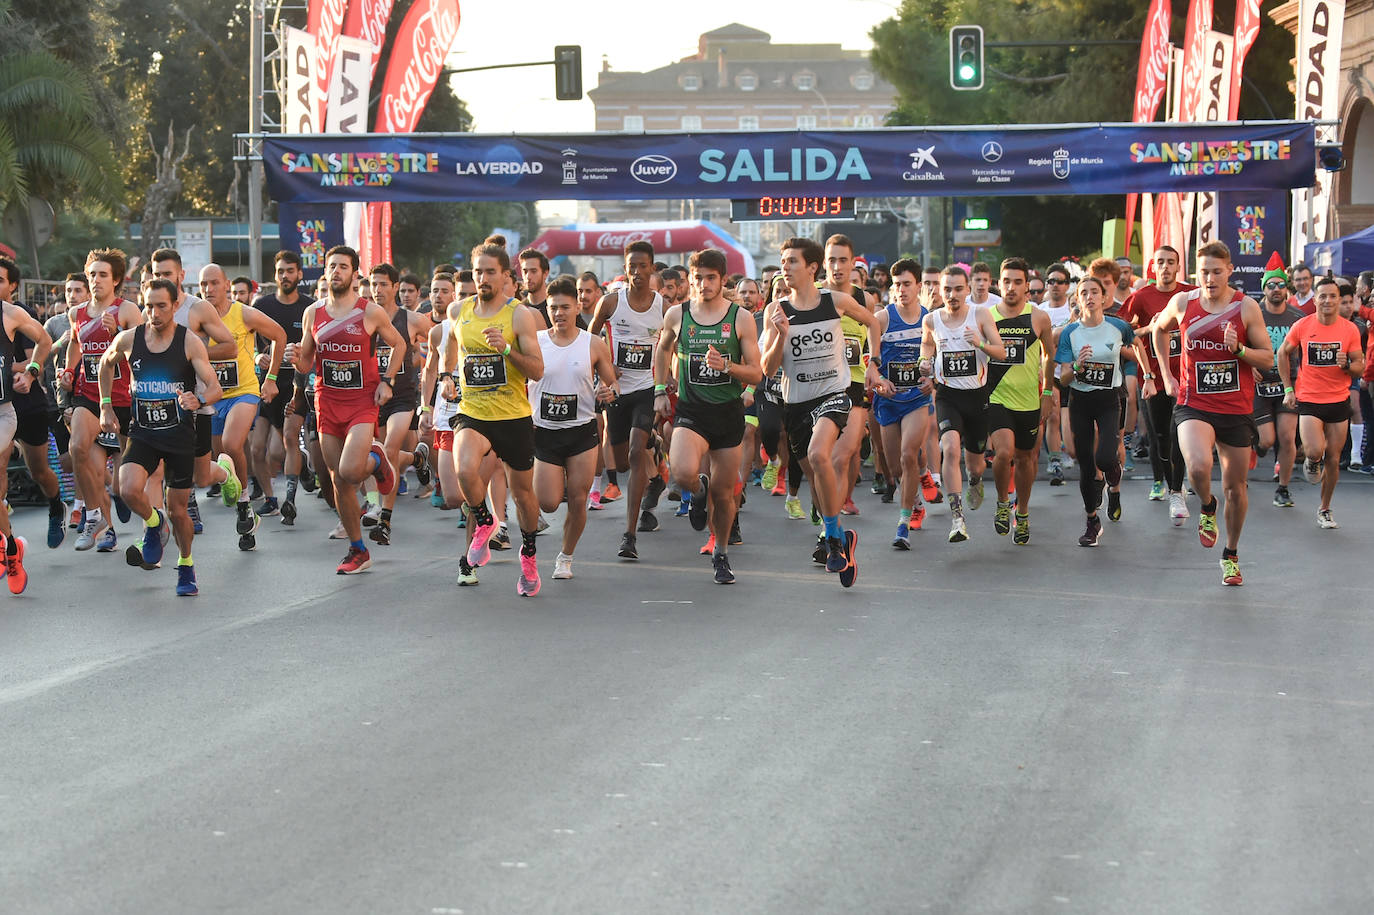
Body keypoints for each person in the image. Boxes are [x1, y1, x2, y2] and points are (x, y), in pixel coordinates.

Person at [760, 237, 885, 586]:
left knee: (820, 456)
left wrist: (873, 362)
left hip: (834, 394)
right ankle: (842, 537)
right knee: (814, 475)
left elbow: (873, 323)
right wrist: (781, 336)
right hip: (796, 402)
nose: (785, 267)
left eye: (792, 262)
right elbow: (767, 369)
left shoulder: (837, 301)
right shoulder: (777, 311)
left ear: (812, 268)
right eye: (782, 261)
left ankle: (831, 537)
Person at [1153, 241, 1273, 586]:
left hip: (1235, 408)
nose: (1209, 278)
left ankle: (1231, 555)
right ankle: (1207, 504)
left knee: (1236, 488)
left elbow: (1266, 358)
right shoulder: (1182, 303)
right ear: (1196, 272)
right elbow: (1159, 331)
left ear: (1229, 271)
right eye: (1203, 271)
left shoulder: (1246, 307)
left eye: (1216, 272)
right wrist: (1166, 374)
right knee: (1198, 466)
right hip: (1194, 402)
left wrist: (1239, 348)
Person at [285, 245, 407, 575]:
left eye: (343, 266)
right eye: (332, 266)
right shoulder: (313, 313)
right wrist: (297, 358)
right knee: (339, 479)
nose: (336, 271)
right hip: (327, 402)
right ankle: (357, 549)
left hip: (362, 403)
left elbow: (399, 344)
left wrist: (388, 381)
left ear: (355, 275)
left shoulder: (369, 312)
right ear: (326, 273)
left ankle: (377, 461)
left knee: (352, 471)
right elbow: (309, 360)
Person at [98, 279, 222, 595]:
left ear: (174, 306)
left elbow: (214, 386)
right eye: (149, 306)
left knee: (179, 510)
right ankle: (154, 524)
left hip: (180, 436)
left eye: (161, 306)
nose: (154, 312)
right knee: (127, 489)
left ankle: (185, 564)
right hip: (143, 433)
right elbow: (104, 363)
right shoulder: (129, 339)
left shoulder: (189, 342)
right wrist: (105, 406)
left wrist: (200, 400)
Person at [440, 243, 545, 595]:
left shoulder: (519, 315)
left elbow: (537, 369)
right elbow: (449, 349)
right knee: (464, 470)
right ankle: (485, 522)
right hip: (474, 411)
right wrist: (445, 377)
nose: (482, 278)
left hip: (513, 417)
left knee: (524, 494)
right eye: (477, 272)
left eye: (489, 272)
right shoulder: (459, 311)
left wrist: (505, 349)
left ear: (504, 276)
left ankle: (528, 553)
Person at [654, 248, 764, 584]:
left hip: (728, 414)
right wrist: (660, 389)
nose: (704, 284)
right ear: (691, 279)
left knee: (724, 493)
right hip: (692, 411)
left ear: (722, 279)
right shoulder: (678, 314)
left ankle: (721, 554)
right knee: (684, 473)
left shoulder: (739, 318)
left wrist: (727, 366)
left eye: (710, 278)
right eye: (698, 278)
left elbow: (756, 374)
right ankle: (696, 490)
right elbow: (662, 348)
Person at [528, 278, 618, 580]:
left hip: (582, 432)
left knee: (578, 500)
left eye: (565, 307)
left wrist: (610, 391)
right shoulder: (536, 341)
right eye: (553, 308)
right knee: (549, 502)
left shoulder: (592, 343)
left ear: (577, 307)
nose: (559, 313)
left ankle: (565, 557)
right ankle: (556, 483)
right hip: (544, 432)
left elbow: (611, 381)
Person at [60, 248, 143, 553]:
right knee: (79, 450)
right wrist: (68, 371)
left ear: (116, 279)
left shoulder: (127, 310)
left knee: (120, 483)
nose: (95, 280)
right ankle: (99, 521)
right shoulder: (77, 313)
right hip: (90, 395)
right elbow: (74, 345)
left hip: (124, 398)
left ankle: (121, 499)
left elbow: (144, 348)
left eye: (102, 275)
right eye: (91, 274)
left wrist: (119, 332)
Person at [199, 263, 286, 551]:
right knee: (220, 454)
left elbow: (279, 335)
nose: (209, 289)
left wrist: (271, 378)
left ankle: (245, 497)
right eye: (203, 285)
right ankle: (244, 508)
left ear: (226, 285)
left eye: (214, 283)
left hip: (244, 392)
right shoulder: (196, 319)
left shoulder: (243, 313)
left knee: (230, 443)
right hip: (212, 397)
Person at [588, 241, 664, 560]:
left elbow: (672, 345)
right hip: (617, 390)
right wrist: (604, 368)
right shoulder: (609, 303)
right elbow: (589, 343)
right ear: (625, 269)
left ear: (652, 268)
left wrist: (665, 383)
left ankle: (629, 535)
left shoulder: (664, 307)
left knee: (634, 454)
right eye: (631, 266)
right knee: (619, 463)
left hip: (646, 390)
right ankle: (655, 451)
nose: (637, 272)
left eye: (642, 266)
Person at [919, 266, 1006, 543]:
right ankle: (957, 519)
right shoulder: (932, 320)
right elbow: (927, 347)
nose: (952, 294)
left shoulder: (980, 314)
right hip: (947, 395)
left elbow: (1001, 351)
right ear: (939, 291)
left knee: (975, 465)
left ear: (967, 289)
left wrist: (980, 344)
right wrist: (925, 362)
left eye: (958, 289)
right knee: (950, 448)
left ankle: (976, 481)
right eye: (947, 289)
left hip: (977, 397)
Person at [1276, 274, 1365, 528]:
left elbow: (1360, 366)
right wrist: (1288, 389)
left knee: (1334, 459)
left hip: (1338, 400)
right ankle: (1313, 462)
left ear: (1339, 300)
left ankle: (1325, 508)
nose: (1327, 301)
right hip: (1310, 399)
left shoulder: (1349, 329)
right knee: (1315, 450)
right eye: (1322, 296)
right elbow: (1283, 352)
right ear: (1315, 300)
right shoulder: (1303, 325)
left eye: (1332, 296)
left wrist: (1348, 365)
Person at [1056, 276, 1136, 546]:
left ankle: (1114, 473)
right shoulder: (1070, 333)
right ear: (1078, 300)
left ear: (1103, 298)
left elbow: (1135, 350)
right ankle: (1092, 520)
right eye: (1083, 293)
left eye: (1094, 292)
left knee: (1104, 458)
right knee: (1086, 465)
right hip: (1080, 400)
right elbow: (1064, 378)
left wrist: (1146, 375)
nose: (1089, 297)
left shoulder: (1118, 327)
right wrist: (1077, 366)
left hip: (1109, 398)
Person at [1120, 245, 1195, 520]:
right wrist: (1150, 329)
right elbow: (1121, 333)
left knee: (1181, 434)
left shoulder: (1189, 294)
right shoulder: (1141, 297)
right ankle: (1160, 479)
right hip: (1152, 377)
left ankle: (1177, 485)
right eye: (1160, 262)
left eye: (1170, 262)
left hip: (1185, 378)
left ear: (1178, 266)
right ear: (1154, 266)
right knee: (1159, 435)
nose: (1165, 267)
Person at [986, 257, 1054, 544]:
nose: (1011, 287)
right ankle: (1003, 502)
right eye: (1006, 282)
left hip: (1029, 399)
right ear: (998, 284)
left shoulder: (1039, 317)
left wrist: (1048, 392)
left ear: (1027, 286)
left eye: (1017, 282)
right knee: (1004, 453)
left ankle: (1022, 513)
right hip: (996, 397)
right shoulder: (986, 317)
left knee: (1026, 458)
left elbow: (1050, 355)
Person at [366, 262, 432, 546]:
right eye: (373, 284)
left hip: (403, 397)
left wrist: (428, 367)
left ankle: (385, 519)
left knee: (389, 448)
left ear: (395, 287)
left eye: (383, 284)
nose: (377, 290)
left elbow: (441, 343)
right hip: (372, 396)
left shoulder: (412, 320)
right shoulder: (364, 318)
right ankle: (417, 458)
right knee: (377, 455)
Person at [870, 258, 933, 549]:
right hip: (889, 399)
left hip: (917, 398)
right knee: (896, 467)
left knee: (909, 453)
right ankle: (918, 490)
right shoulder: (882, 318)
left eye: (907, 284)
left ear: (918, 286)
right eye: (897, 285)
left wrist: (935, 380)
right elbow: (868, 361)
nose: (901, 290)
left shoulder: (930, 319)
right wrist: (879, 379)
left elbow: (943, 355)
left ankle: (903, 523)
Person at [0, 258, 54, 592]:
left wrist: (32, 371)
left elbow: (45, 341)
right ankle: (10, 547)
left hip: (2, 412)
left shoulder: (10, 314)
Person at [247, 250, 312, 524]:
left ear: (299, 274)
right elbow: (244, 341)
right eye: (280, 271)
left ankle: (290, 499)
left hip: (296, 384)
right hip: (266, 383)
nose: (284, 276)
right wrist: (255, 356)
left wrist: (301, 355)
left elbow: (317, 346)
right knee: (256, 449)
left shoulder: (309, 307)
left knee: (281, 446)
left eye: (289, 271)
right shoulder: (261, 305)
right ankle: (272, 500)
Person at [1250, 255, 1305, 507]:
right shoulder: (1254, 313)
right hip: (1260, 383)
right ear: (1264, 288)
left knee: (1286, 435)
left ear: (1287, 287)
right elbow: (1239, 346)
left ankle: (1283, 488)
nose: (1276, 289)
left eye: (1280, 285)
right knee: (1267, 440)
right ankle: (1256, 446)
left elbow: (1305, 350)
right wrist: (1249, 365)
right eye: (1270, 285)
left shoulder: (1297, 316)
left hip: (1288, 382)